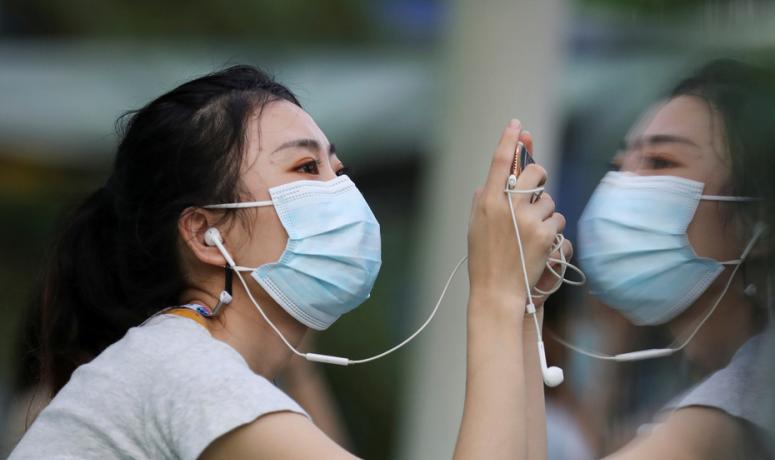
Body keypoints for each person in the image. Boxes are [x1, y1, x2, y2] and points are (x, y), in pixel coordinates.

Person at [10, 65, 569, 459]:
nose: (342, 194)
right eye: (306, 169)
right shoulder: (182, 372)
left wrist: (523, 305)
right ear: (206, 233)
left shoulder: (193, 368)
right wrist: (493, 295)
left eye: (337, 170)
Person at [572, 59, 775, 459]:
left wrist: (499, 302)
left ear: (757, 220)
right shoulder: (762, 365)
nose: (621, 189)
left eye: (660, 163)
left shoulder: (731, 410)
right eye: (619, 166)